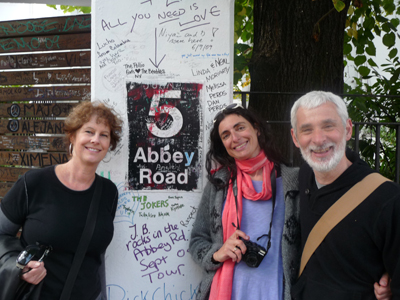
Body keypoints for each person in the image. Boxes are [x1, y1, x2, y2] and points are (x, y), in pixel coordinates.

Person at [0, 101, 122, 300]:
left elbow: (96, 256)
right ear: (73, 136)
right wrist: (19, 265)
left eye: (104, 135)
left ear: (109, 144)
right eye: (89, 131)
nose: (95, 140)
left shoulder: (109, 192)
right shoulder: (34, 183)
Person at [290, 91, 400, 299]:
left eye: (328, 126)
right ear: (295, 138)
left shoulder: (387, 199)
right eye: (307, 129)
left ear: (348, 129)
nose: (319, 139)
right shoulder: (303, 177)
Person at [189, 104, 302, 300]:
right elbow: (197, 241)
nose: (235, 138)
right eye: (226, 135)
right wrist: (218, 253)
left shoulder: (293, 181)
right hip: (228, 292)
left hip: (277, 292)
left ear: (256, 129)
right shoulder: (219, 184)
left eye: (240, 127)